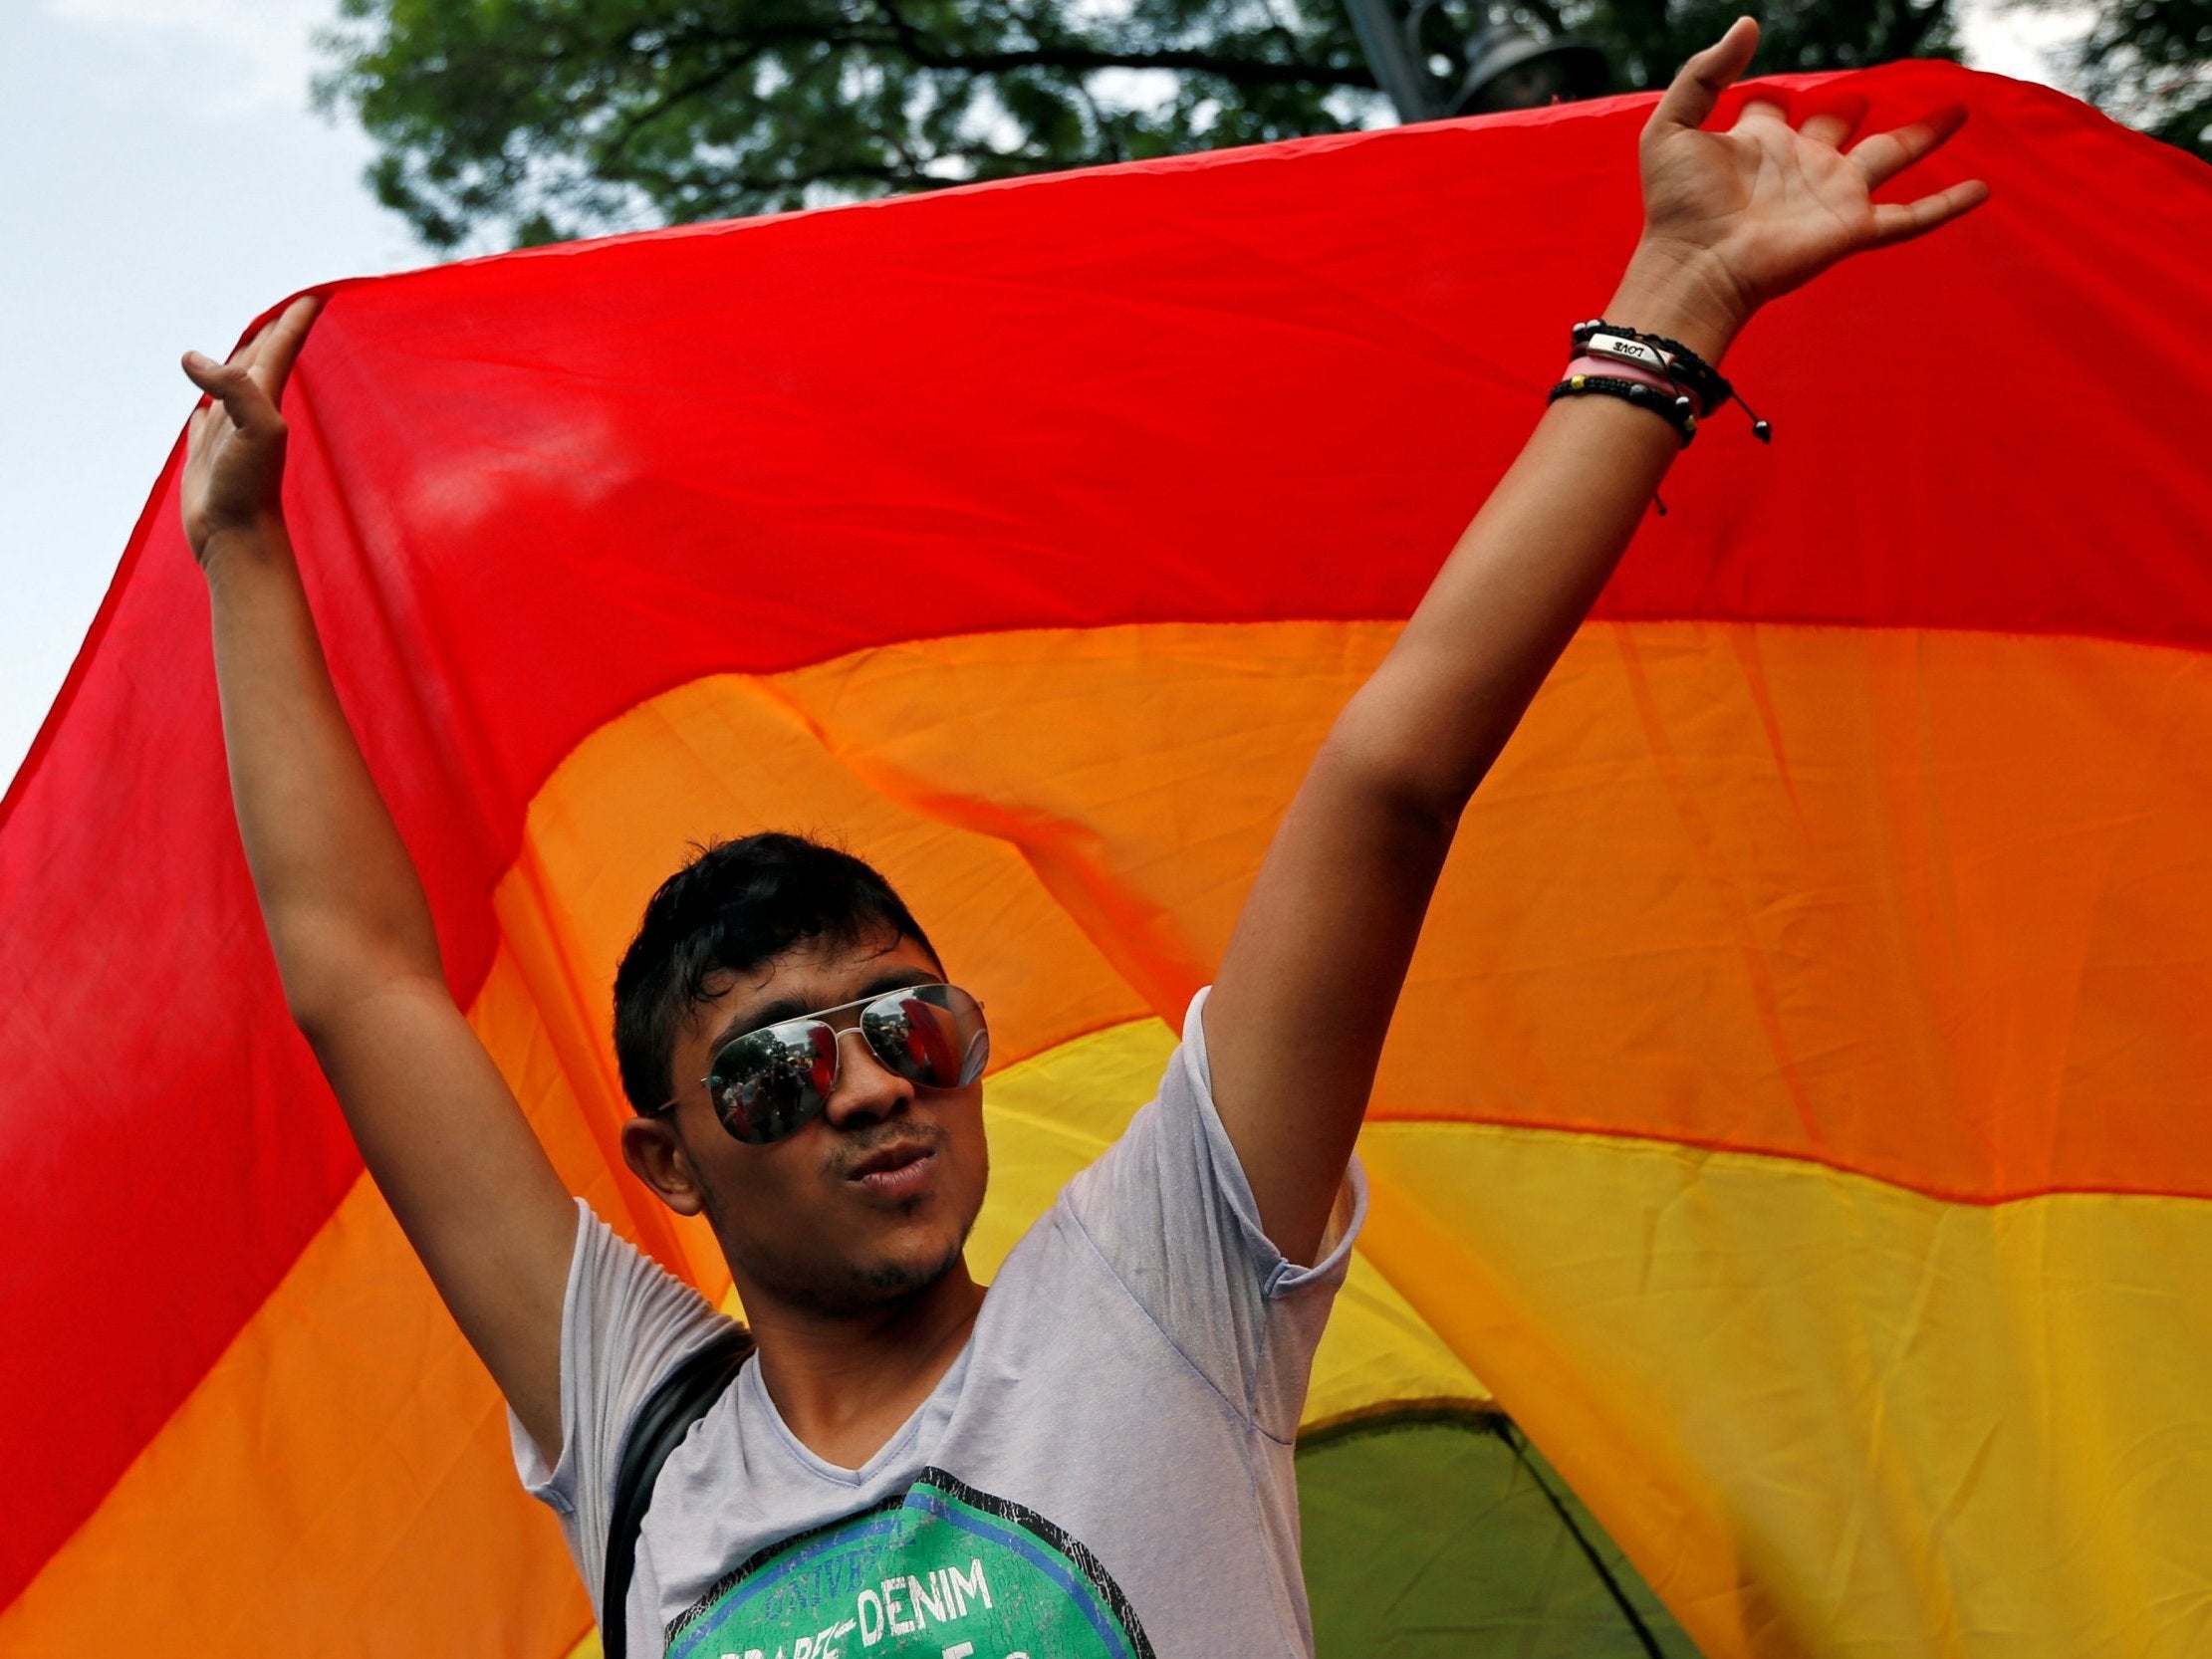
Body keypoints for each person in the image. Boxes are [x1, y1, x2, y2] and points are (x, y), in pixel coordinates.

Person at [179, 19, 1984, 1656]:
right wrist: (246, 552)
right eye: (773, 1077)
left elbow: (1386, 784)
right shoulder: (640, 1432)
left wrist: (1672, 302)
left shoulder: (1162, 1281)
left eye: (909, 1026)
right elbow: (358, 981)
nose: (872, 1088)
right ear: (669, 1163)